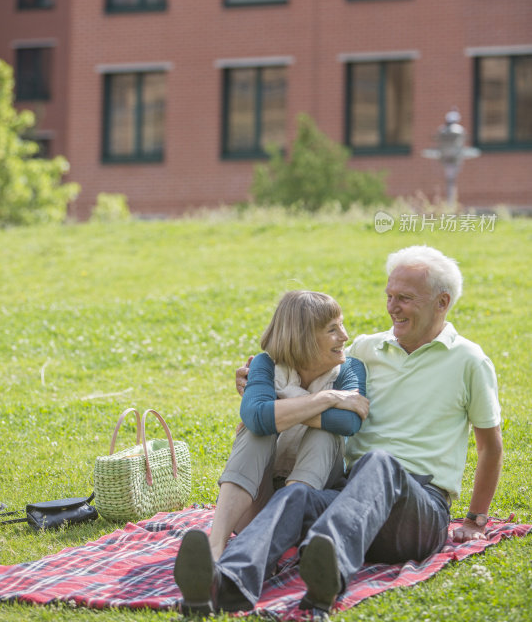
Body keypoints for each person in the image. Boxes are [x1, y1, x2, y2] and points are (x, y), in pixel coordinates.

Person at [174, 246, 503, 617]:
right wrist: (254, 381)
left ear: (442, 302)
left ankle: (325, 577)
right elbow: (308, 362)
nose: (392, 307)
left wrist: (475, 520)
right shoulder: (366, 349)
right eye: (389, 296)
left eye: (405, 299)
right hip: (351, 496)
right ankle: (225, 583)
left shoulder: (470, 361)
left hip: (419, 509)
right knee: (296, 497)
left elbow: (490, 448)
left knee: (379, 463)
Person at [205, 290, 368, 560]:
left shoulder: (350, 369)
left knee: (325, 433)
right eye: (332, 329)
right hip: (255, 502)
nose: (344, 336)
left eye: (342, 325)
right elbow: (255, 418)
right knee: (255, 432)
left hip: (309, 506)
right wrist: (328, 398)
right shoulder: (265, 364)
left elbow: (347, 421)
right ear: (303, 338)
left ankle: (279, 529)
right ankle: (214, 546)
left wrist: (278, 409)